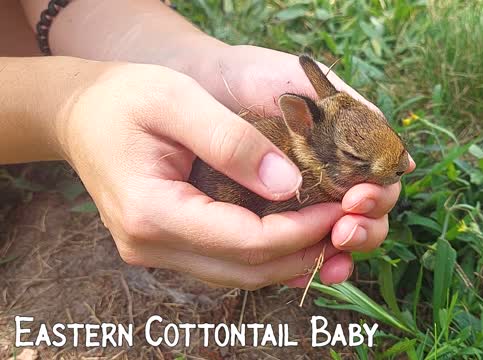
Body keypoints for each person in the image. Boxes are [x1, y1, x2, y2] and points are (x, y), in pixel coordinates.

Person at [0, 0, 414, 290]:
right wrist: (68, 108)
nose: (406, 166)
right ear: (302, 126)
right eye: (354, 158)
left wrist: (196, 64)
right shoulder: (301, 168)